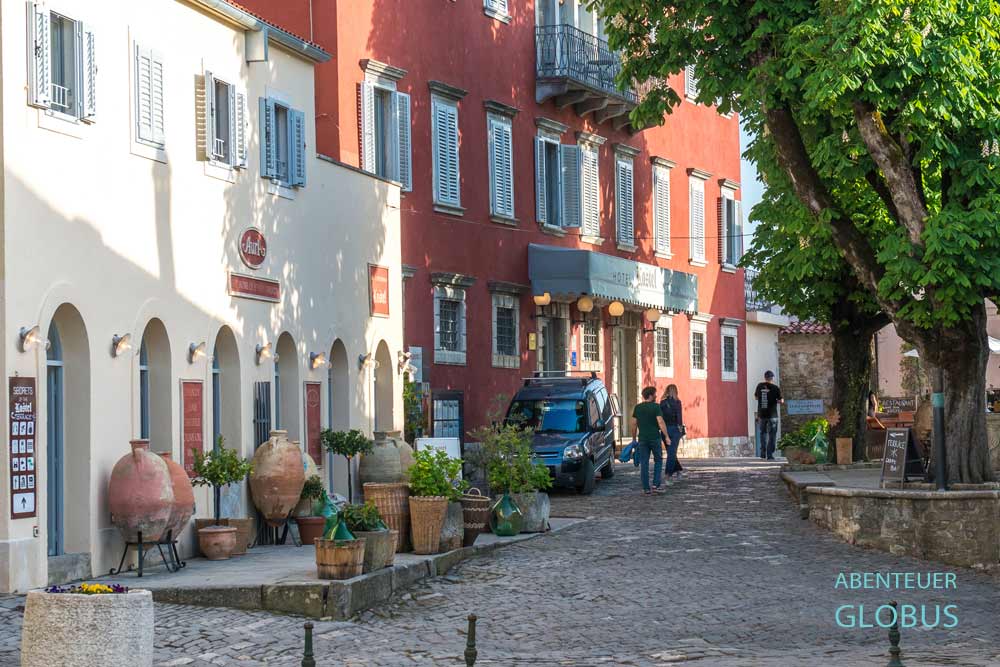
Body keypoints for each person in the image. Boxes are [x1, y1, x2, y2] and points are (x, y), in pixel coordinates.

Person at [632, 386, 671, 495]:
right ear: (650, 395)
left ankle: (646, 488)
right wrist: (666, 436)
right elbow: (661, 422)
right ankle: (655, 485)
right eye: (655, 394)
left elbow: (634, 424)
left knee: (644, 462)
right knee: (658, 460)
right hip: (655, 438)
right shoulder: (656, 407)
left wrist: (634, 439)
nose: (656, 395)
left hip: (643, 439)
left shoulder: (637, 408)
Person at [754, 370, 783, 460]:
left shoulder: (759, 386)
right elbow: (781, 400)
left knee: (762, 433)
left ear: (765, 377)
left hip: (762, 414)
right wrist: (777, 401)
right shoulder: (775, 388)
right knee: (772, 434)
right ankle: (769, 455)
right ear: (772, 378)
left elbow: (755, 397)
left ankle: (763, 453)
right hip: (772, 415)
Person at [659, 385, 685, 481]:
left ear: (666, 391)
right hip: (675, 429)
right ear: (676, 391)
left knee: (671, 452)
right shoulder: (678, 402)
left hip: (664, 430)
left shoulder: (662, 403)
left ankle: (678, 471)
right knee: (672, 453)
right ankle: (668, 474)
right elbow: (679, 417)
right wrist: (681, 430)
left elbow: (660, 418)